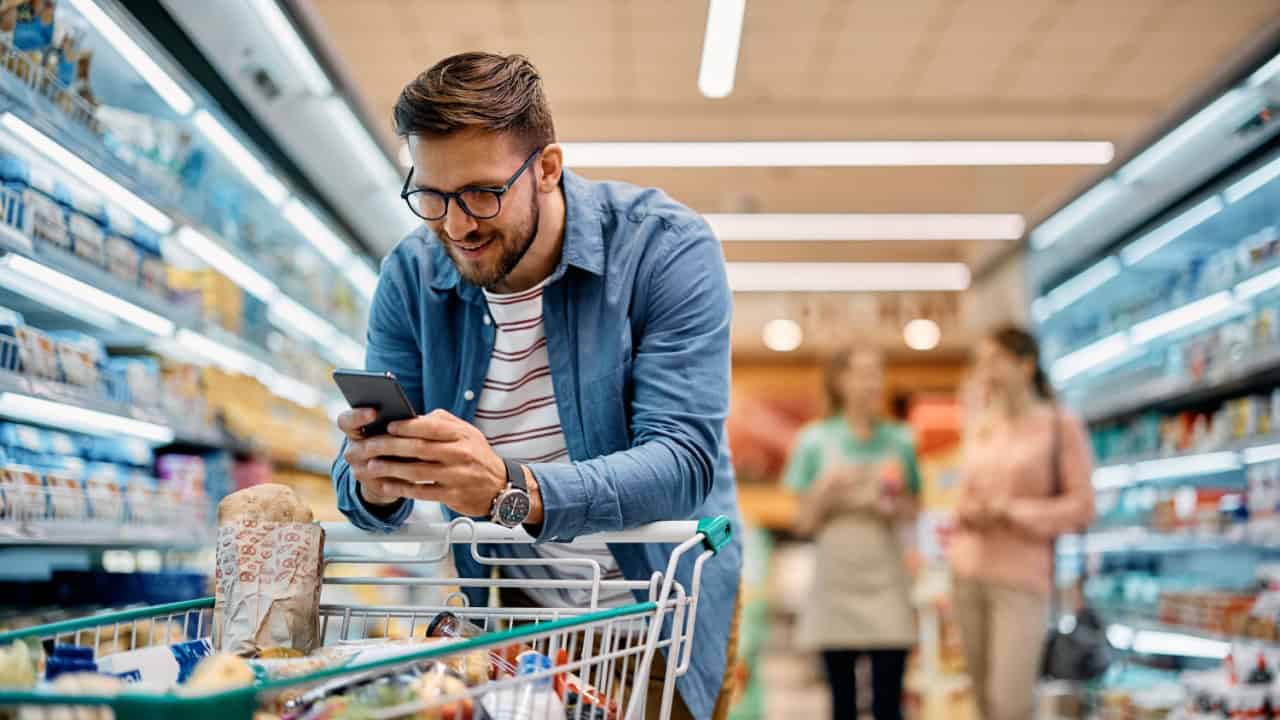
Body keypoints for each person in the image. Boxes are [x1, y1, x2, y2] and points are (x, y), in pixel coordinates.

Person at [329, 52, 743, 720]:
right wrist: (378, 479)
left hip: (661, 616)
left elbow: (682, 464)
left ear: (546, 168)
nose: (457, 225)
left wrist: (509, 489)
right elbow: (357, 493)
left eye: (482, 194)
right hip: (517, 630)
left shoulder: (665, 249)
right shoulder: (410, 277)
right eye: (432, 196)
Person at [949, 327, 1095, 720]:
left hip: (1022, 579)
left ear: (1025, 365)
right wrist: (970, 510)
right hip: (968, 573)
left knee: (1009, 701)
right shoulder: (982, 425)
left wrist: (1014, 511)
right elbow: (964, 493)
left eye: (995, 361)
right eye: (981, 363)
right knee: (981, 699)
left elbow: (1082, 506)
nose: (986, 372)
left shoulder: (1059, 426)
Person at [783, 348, 921, 720]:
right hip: (836, 583)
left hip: (887, 580)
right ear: (839, 381)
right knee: (841, 703)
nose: (871, 383)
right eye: (862, 374)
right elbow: (802, 522)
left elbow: (915, 509)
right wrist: (827, 490)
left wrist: (893, 506)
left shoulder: (900, 440)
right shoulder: (813, 441)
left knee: (889, 702)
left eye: (877, 374)